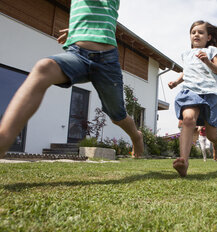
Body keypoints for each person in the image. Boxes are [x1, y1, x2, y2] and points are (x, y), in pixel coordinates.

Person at [0, 0, 143, 158]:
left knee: (118, 116)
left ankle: (136, 136)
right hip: (77, 55)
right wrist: (78, 30)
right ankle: (4, 139)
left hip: (107, 61)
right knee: (44, 68)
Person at [168, 20, 217, 177]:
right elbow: (187, 72)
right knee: (188, 119)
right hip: (191, 91)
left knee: (211, 135)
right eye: (193, 32)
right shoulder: (186, 54)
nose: (196, 34)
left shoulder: (212, 51)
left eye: (200, 32)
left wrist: (206, 61)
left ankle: (216, 145)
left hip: (211, 93)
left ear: (209, 37)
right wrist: (177, 81)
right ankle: (184, 162)